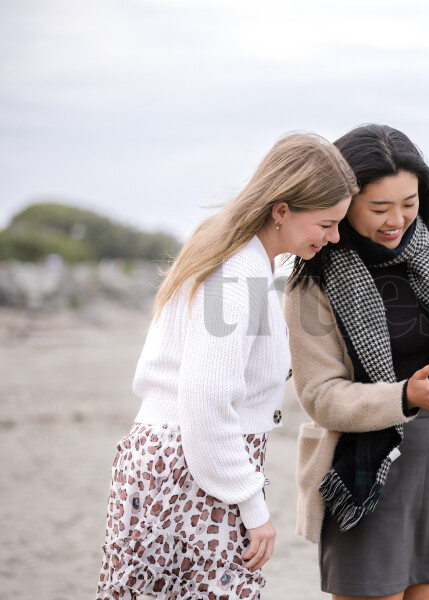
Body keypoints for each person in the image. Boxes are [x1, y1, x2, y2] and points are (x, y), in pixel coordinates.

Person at [96, 132, 358, 600]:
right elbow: (206, 398)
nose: (334, 236)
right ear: (282, 210)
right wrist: (253, 506)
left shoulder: (233, 254)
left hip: (170, 464)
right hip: (188, 472)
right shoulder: (238, 272)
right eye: (326, 223)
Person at [284, 124, 429, 600]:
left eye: (409, 204)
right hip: (366, 479)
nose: (397, 219)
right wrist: (405, 396)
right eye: (380, 208)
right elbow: (320, 397)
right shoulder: (313, 281)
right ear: (344, 203)